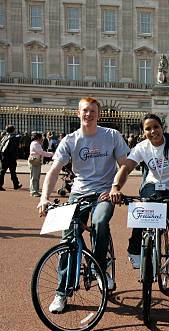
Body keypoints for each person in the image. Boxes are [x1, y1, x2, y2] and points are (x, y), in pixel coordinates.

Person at [37, 97, 130, 313]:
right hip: (78, 194)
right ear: (78, 113)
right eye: (85, 111)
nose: (89, 114)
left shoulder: (112, 136)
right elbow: (53, 171)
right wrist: (44, 198)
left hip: (104, 193)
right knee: (68, 239)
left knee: (99, 221)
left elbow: (124, 165)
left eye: (93, 111)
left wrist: (116, 187)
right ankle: (61, 292)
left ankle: (99, 267)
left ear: (99, 114)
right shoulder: (70, 140)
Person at [109, 113, 169, 302]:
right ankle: (134, 248)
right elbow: (126, 168)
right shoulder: (142, 147)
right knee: (143, 206)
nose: (153, 131)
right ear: (143, 132)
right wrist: (115, 187)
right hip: (153, 186)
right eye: (148, 128)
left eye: (156, 127)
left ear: (162, 127)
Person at [28, 132, 54, 197]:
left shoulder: (35, 143)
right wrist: (52, 154)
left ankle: (35, 190)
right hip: (35, 161)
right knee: (35, 177)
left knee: (36, 176)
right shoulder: (36, 144)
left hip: (36, 160)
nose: (42, 138)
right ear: (38, 138)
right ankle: (34, 191)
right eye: (41, 137)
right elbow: (42, 152)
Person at [0, 125, 23, 191]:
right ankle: (15, 184)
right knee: (7, 171)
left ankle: (16, 184)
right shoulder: (13, 138)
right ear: (13, 130)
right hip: (10, 157)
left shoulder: (4, 137)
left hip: (4, 156)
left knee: (8, 171)